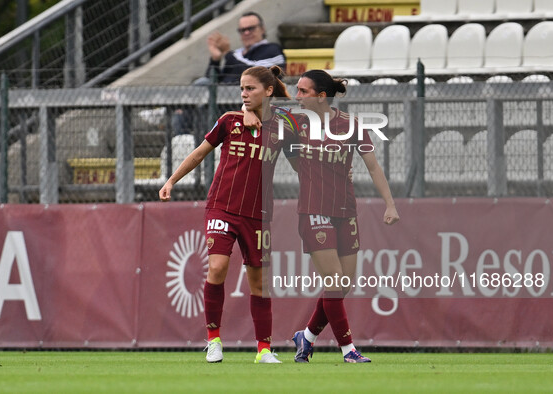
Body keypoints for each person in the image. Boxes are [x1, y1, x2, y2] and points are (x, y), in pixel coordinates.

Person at [244, 70, 399, 363]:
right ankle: (349, 350)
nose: (297, 96)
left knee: (341, 286)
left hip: (346, 210)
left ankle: (308, 337)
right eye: (297, 90)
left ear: (321, 96)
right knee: (335, 280)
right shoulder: (295, 123)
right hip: (313, 210)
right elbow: (257, 104)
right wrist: (245, 109)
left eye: (303, 91)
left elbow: (373, 167)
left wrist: (390, 204)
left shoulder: (351, 125)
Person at [159, 65, 294, 364]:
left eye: (250, 89)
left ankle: (263, 350)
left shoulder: (282, 126)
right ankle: (214, 340)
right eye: (242, 89)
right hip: (222, 206)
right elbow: (198, 153)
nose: (244, 94)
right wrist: (171, 181)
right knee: (217, 268)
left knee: (259, 282)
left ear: (268, 91)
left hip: (258, 214)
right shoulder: (229, 121)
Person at [196, 12, 286, 85]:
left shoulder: (272, 49)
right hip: (223, 100)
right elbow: (212, 81)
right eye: (242, 30)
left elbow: (254, 74)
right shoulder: (236, 54)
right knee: (202, 82)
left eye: (251, 28)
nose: (246, 33)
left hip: (247, 101)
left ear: (262, 29)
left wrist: (227, 53)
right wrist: (215, 60)